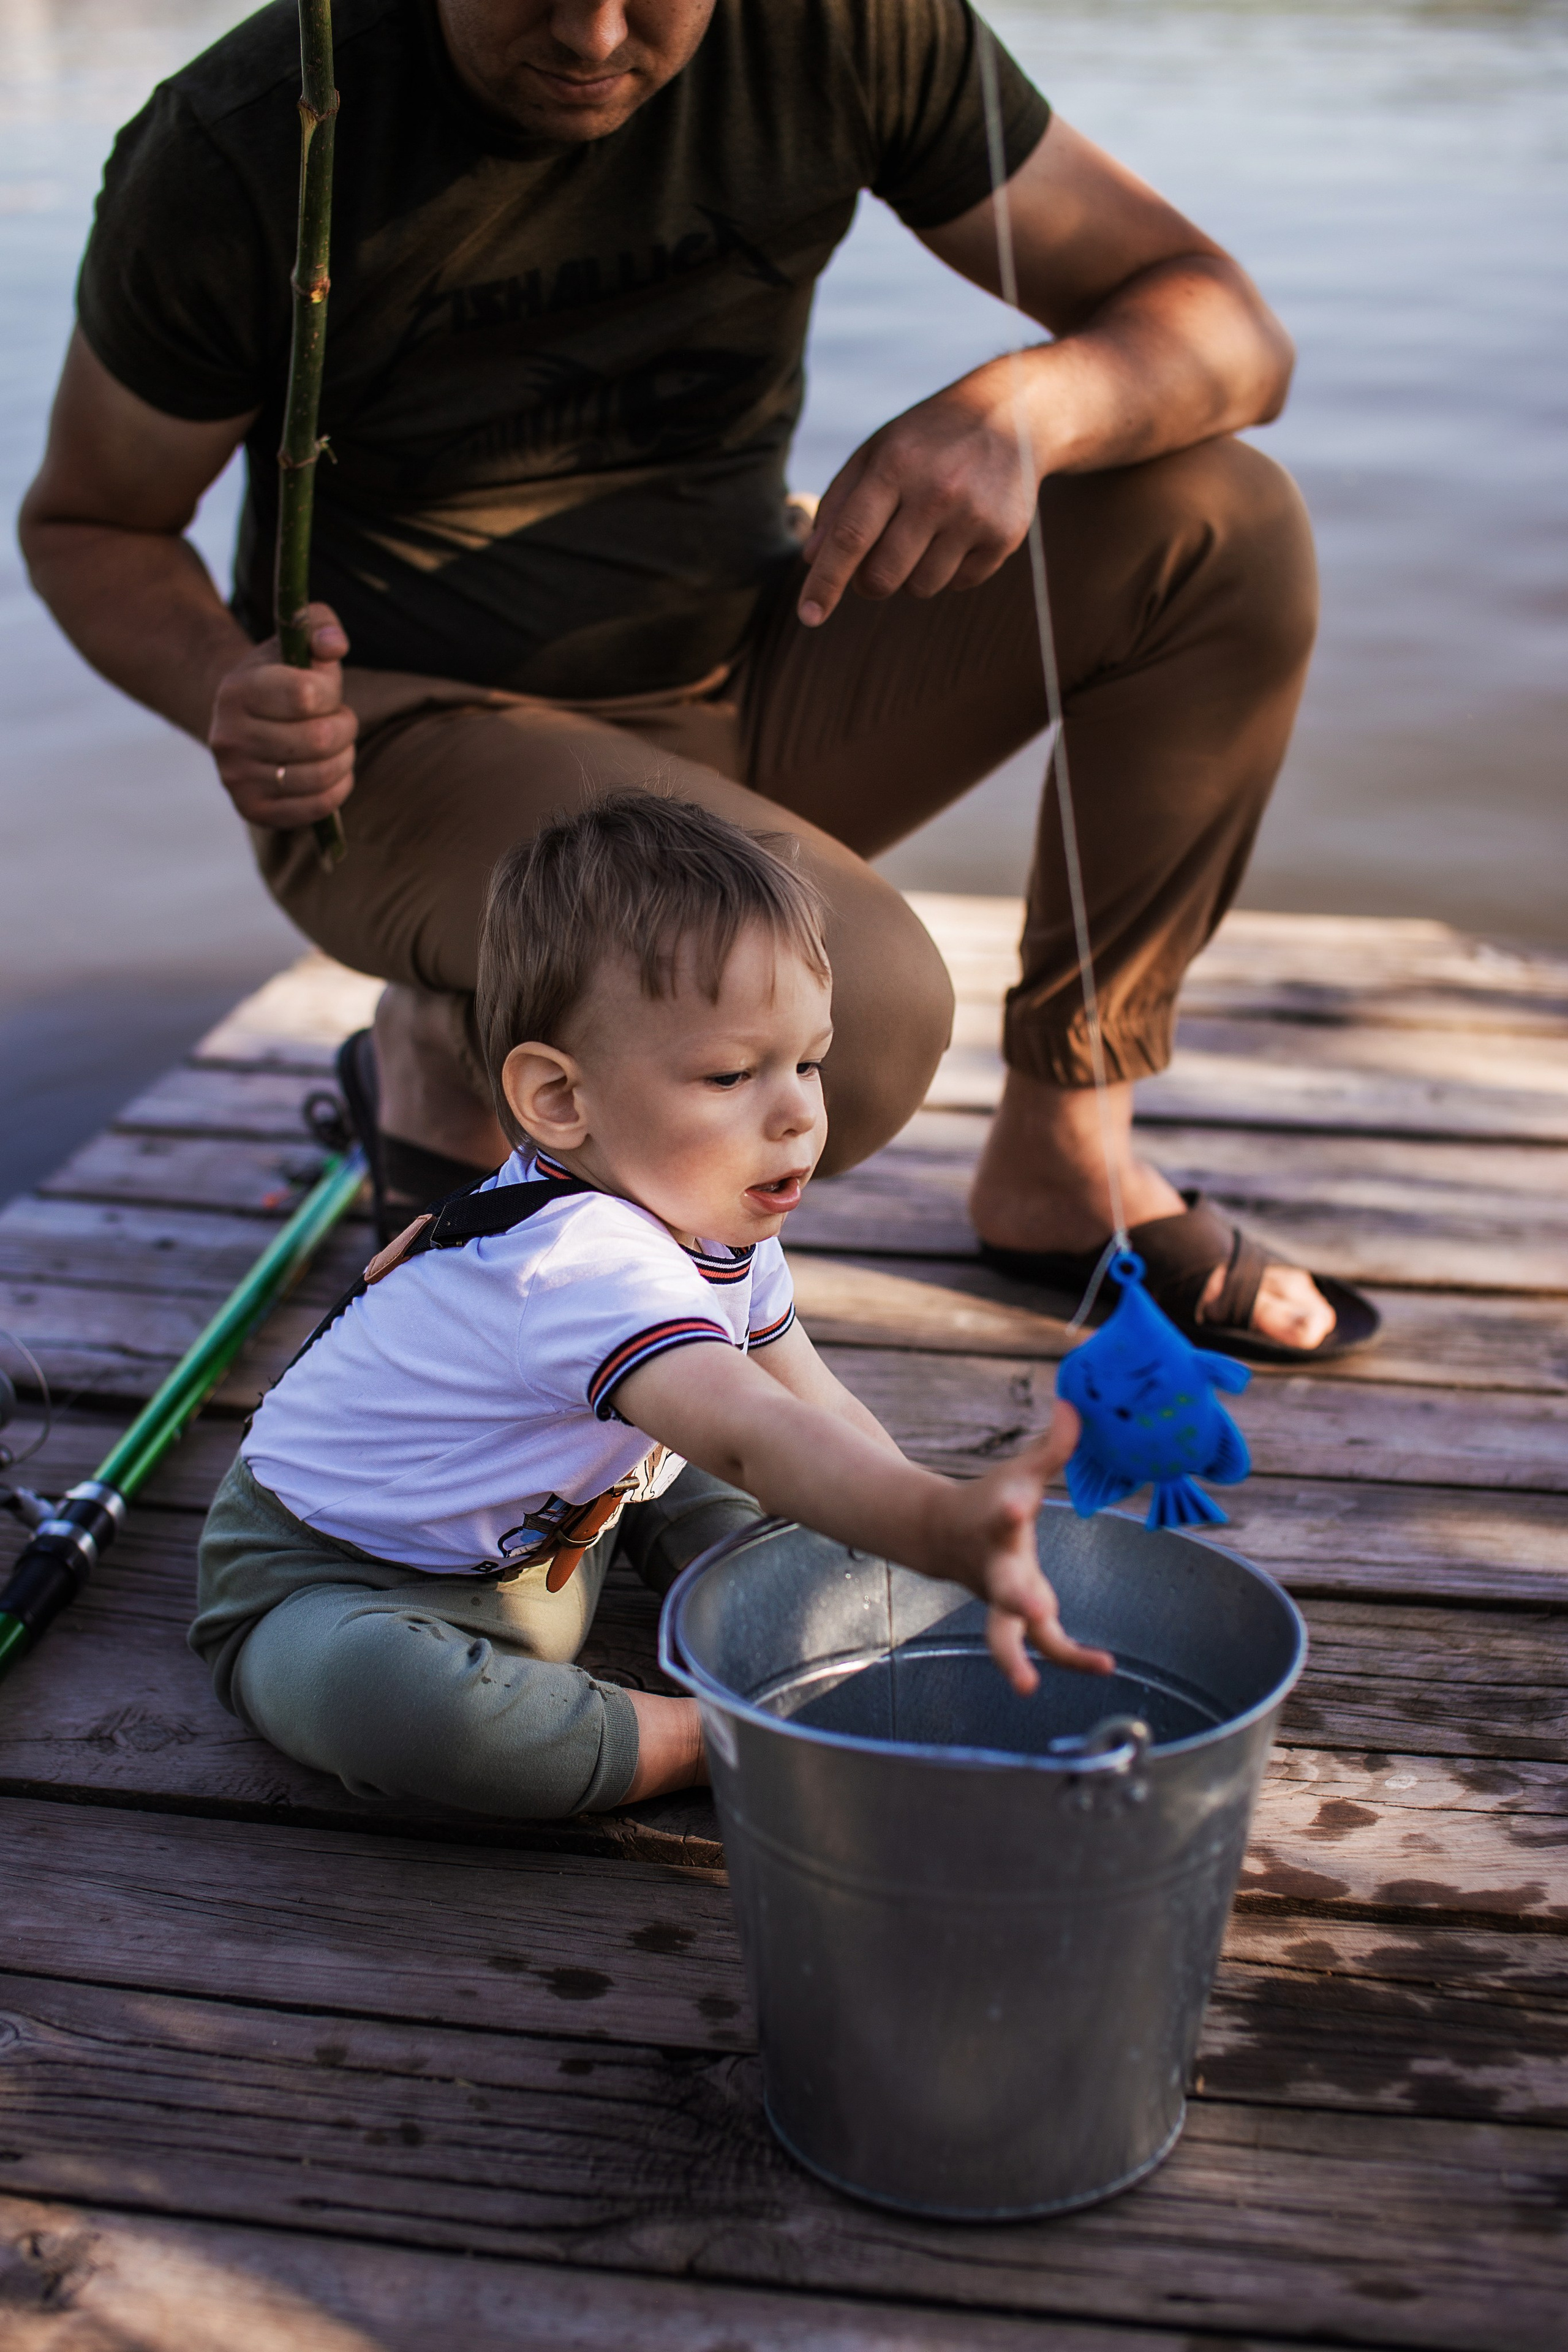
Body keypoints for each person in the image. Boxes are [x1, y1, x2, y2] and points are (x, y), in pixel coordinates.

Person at [18, 0, 1377, 1365]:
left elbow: (1228, 329)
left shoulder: (839, 27)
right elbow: (92, 522)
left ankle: (1064, 1158)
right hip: (412, 747)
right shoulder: (248, 137)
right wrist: (228, 683)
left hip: (746, 663)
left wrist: (1027, 411)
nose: (594, 35)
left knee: (1221, 524)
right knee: (858, 1026)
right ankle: (451, 1038)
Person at [193, 796, 1107, 1817]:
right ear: (559, 1100)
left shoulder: (714, 1219)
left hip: (555, 1528)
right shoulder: (581, 1265)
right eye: (731, 1073)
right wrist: (936, 1528)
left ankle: (760, 1594)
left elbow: (813, 1407)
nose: (800, 1112)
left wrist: (928, 1548)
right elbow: (756, 1436)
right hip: (333, 1581)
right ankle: (705, 1735)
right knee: (389, 1705)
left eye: (809, 1060)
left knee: (727, 1436)